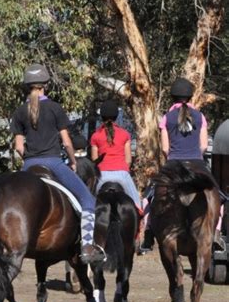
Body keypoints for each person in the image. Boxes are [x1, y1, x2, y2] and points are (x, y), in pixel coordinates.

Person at [10, 64, 106, 265]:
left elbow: (19, 147)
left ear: (26, 86)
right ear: (46, 85)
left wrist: (29, 158)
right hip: (54, 163)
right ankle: (87, 246)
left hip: (28, 166)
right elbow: (67, 142)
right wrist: (72, 161)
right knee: (88, 200)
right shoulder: (55, 108)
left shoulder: (20, 111)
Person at [140, 76, 224, 251]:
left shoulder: (166, 118)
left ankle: (148, 234)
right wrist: (194, 156)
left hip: (173, 163)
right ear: (191, 97)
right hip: (197, 162)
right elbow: (203, 145)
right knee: (219, 196)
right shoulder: (200, 116)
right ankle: (215, 233)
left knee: (149, 197)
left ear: (172, 97)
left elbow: (164, 148)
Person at [90, 99, 142, 212]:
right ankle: (141, 224)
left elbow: (95, 160)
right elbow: (128, 160)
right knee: (137, 204)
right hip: (122, 175)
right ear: (116, 116)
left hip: (101, 176)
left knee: (90, 204)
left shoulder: (95, 136)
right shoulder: (125, 134)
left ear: (101, 117)